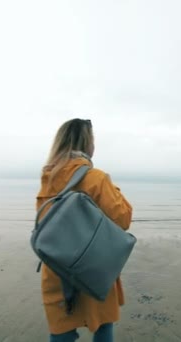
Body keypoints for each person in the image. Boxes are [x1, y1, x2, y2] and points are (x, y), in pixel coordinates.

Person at [36, 118, 133, 342]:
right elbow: (123, 218)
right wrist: (112, 187)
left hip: (58, 265)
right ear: (87, 143)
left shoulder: (48, 178)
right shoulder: (95, 177)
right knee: (103, 325)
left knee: (62, 331)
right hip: (93, 264)